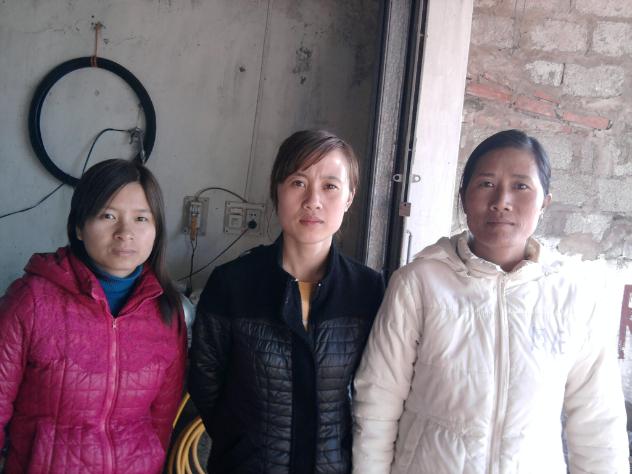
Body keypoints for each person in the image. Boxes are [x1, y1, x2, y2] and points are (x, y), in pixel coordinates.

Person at [352, 129, 628, 473]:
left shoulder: (573, 295)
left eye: (521, 186)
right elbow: (377, 402)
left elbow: (598, 423)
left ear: (545, 202)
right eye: (486, 184)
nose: (501, 201)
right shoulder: (419, 283)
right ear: (463, 197)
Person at [188, 129, 385, 473]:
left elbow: (377, 393)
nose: (313, 200)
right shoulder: (232, 284)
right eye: (298, 182)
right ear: (276, 190)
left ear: (350, 198)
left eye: (330, 186)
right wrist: (241, 444)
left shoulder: (368, 291)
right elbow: (206, 379)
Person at [0, 159, 186, 473]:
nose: (125, 233)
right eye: (108, 215)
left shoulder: (166, 310)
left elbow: (161, 418)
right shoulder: (31, 301)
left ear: (156, 231)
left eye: (141, 218)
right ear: (79, 227)